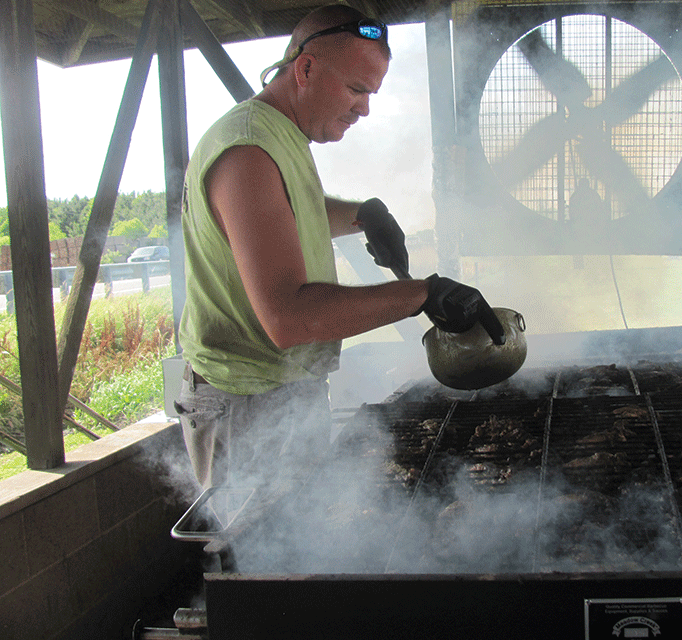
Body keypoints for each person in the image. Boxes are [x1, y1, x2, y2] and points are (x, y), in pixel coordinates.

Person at [175, 4, 495, 498]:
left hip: (286, 388)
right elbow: (288, 318)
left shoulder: (280, 134)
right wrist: (422, 294)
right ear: (305, 68)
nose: (364, 109)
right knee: (261, 564)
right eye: (356, 89)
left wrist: (361, 214)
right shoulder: (246, 151)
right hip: (245, 404)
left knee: (307, 550)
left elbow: (284, 212)